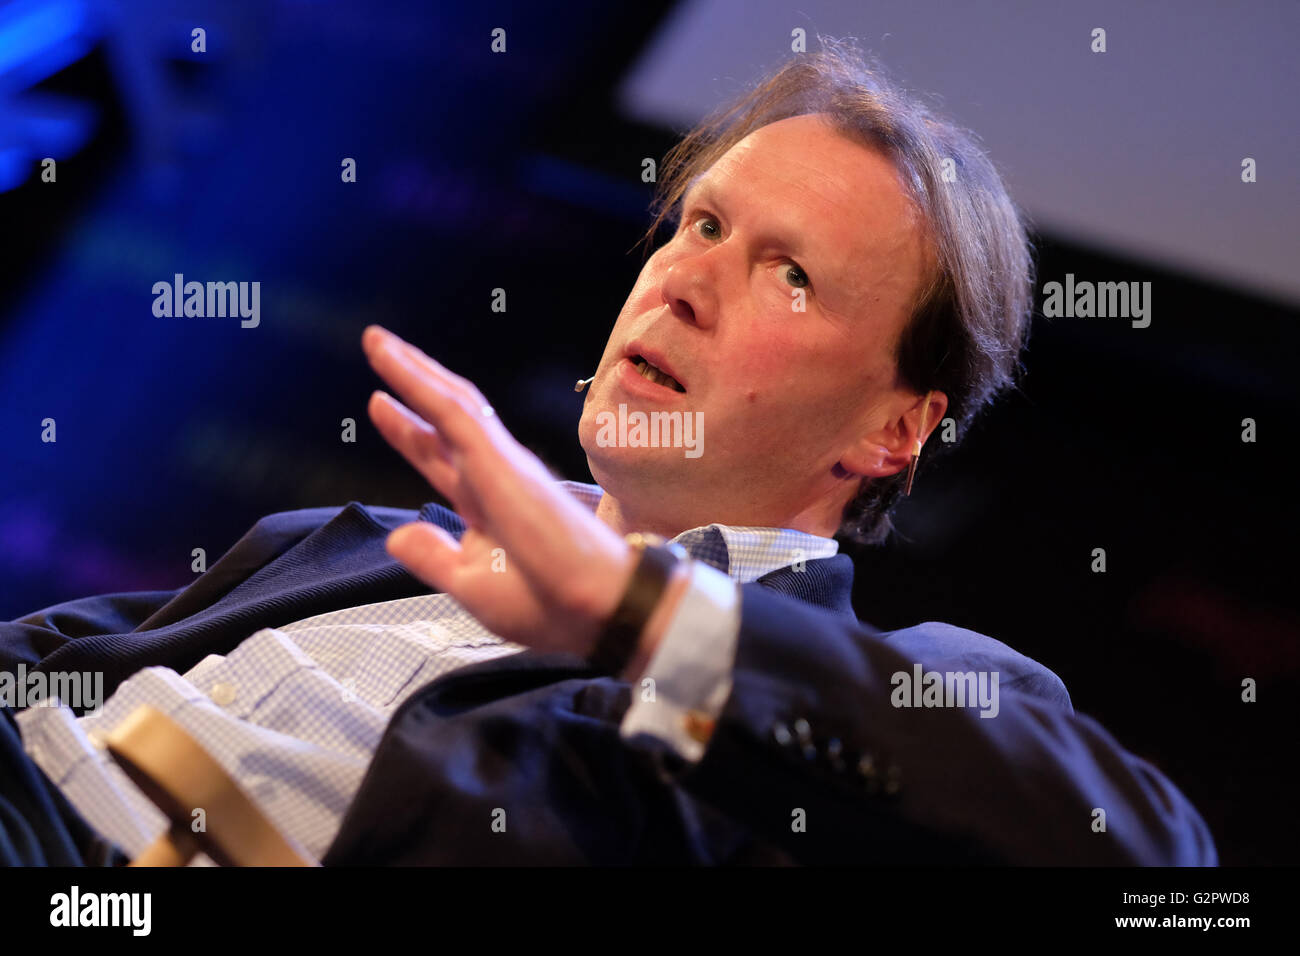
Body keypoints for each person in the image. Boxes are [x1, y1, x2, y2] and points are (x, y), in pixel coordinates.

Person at [1, 41, 1216, 865]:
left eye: (788, 274)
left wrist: (637, 615)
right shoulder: (373, 540)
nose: (685, 279)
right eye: (700, 223)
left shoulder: (866, 692)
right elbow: (46, 666)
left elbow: (1152, 862)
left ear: (893, 429)